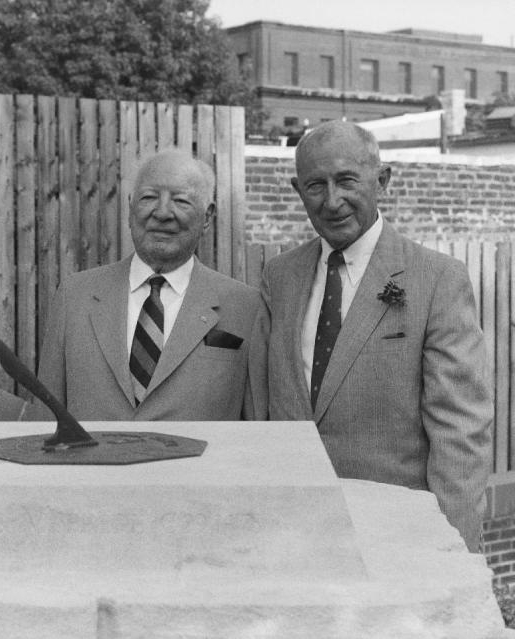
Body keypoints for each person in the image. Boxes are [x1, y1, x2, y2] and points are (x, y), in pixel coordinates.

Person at [262, 120, 492, 551]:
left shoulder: (437, 279)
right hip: (295, 535)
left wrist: (450, 554)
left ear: (382, 180)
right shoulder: (280, 276)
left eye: (347, 180)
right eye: (316, 186)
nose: (333, 201)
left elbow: (460, 434)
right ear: (297, 190)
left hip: (396, 538)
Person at [37, 148, 267, 421]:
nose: (162, 212)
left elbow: (257, 431)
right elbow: (44, 418)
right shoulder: (75, 295)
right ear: (131, 207)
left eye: (181, 201)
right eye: (149, 198)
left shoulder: (246, 308)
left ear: (207, 217)